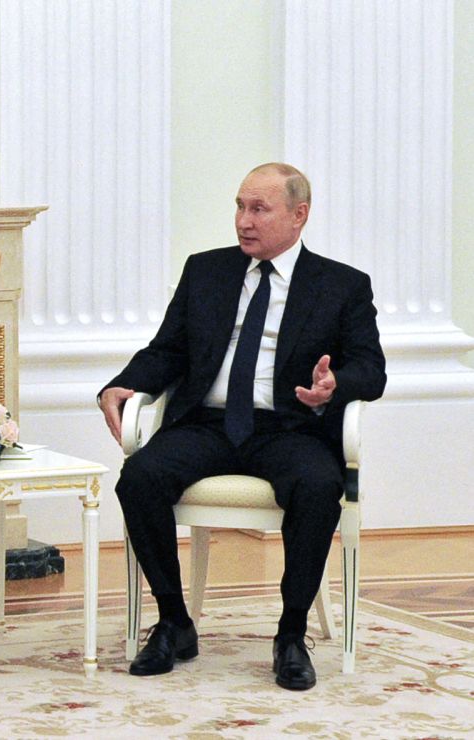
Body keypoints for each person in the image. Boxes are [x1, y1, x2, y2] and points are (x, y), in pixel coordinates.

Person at [97, 163, 386, 691]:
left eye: (259, 209)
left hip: (289, 428)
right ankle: (173, 621)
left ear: (299, 216)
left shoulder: (342, 285)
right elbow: (168, 350)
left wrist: (335, 385)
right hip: (206, 425)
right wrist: (122, 383)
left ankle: (291, 634)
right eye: (239, 206)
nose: (243, 221)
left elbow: (372, 369)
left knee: (319, 486)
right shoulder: (205, 271)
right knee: (138, 477)